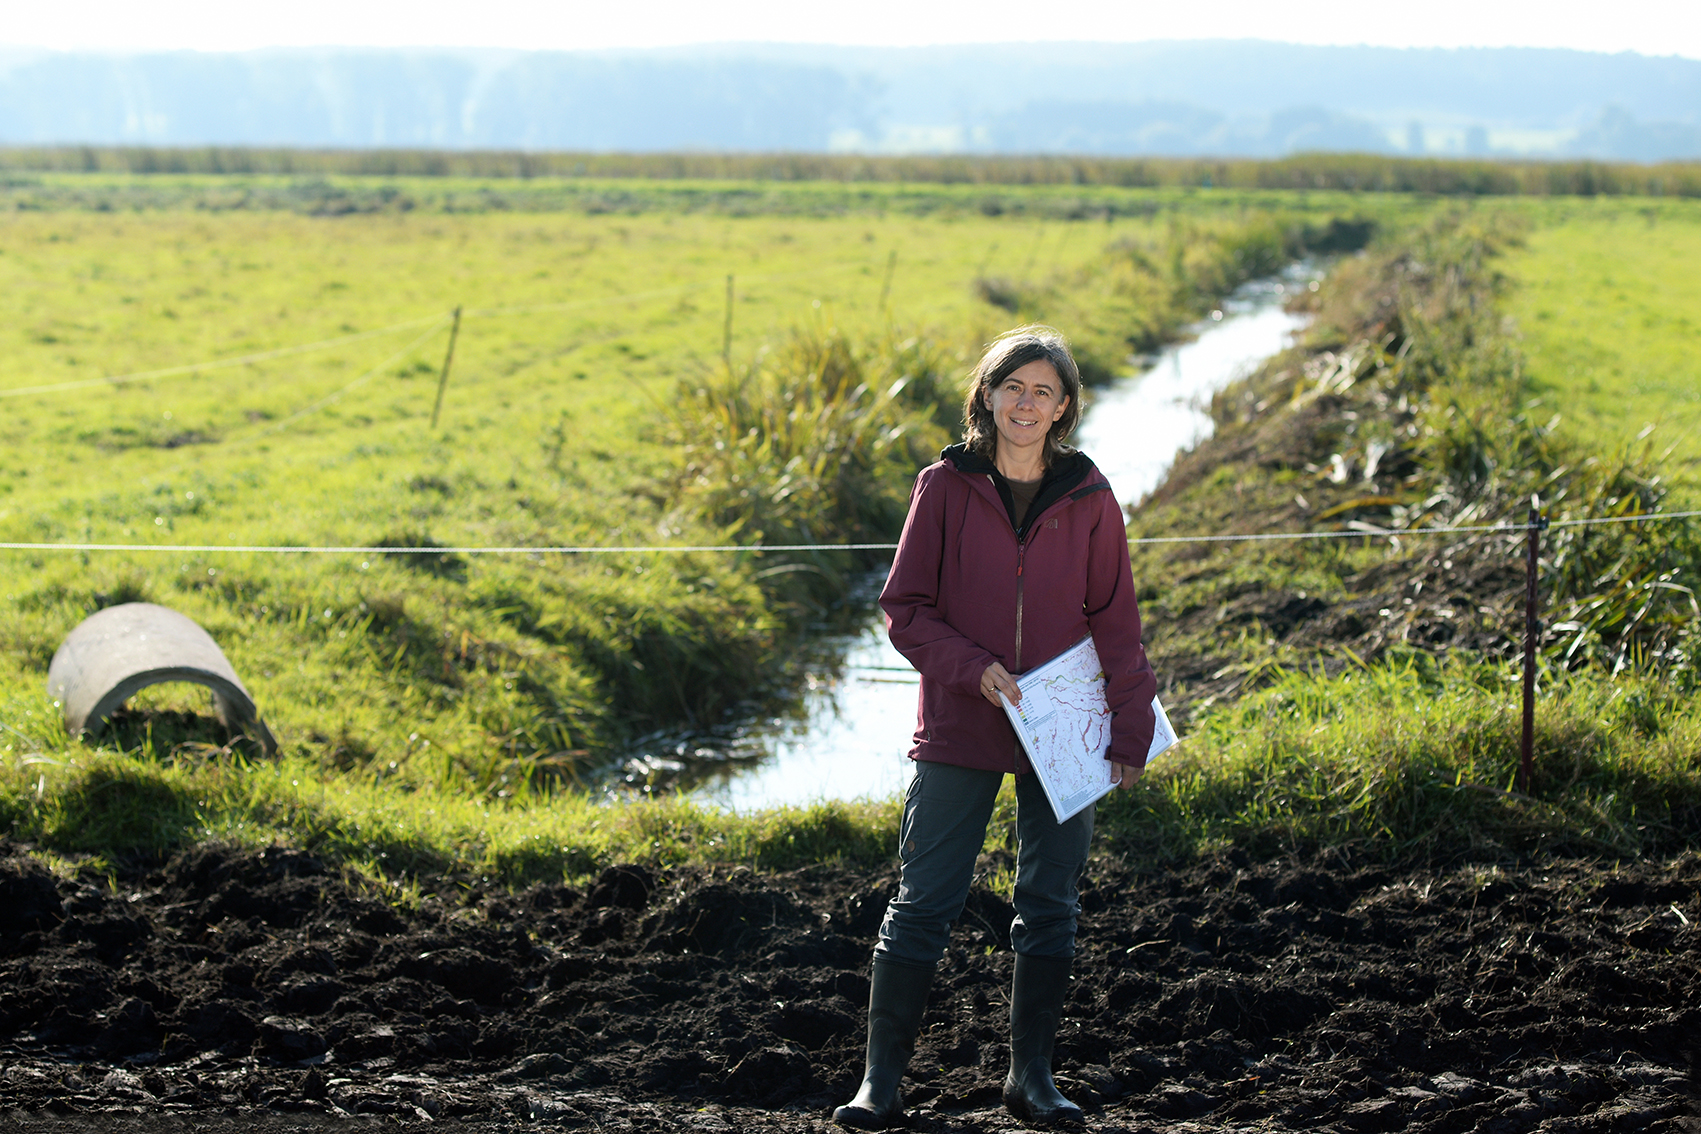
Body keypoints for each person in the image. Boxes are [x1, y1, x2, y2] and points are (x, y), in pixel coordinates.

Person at [833, 325, 1157, 1130]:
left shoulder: (1089, 495)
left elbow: (1116, 622)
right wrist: (969, 667)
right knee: (924, 900)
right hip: (960, 720)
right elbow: (904, 609)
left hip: (1064, 728)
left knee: (1050, 901)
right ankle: (880, 1084)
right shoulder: (943, 487)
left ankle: (1031, 1080)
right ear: (985, 394)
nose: (1025, 402)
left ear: (1064, 408)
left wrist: (1130, 727)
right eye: (1012, 386)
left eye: (1043, 390)